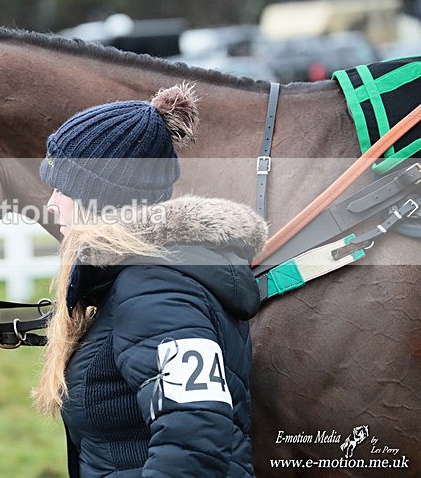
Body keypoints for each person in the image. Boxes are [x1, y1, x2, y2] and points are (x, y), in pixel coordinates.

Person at [34, 84, 268, 477]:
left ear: (100, 198)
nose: (51, 203)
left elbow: (195, 439)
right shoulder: (141, 280)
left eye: (63, 188)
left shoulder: (156, 291)